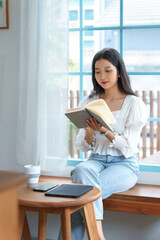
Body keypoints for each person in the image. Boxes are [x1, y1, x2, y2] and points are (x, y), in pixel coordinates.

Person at [58, 48, 148, 240]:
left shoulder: (133, 103)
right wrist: (89, 131)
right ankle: (97, 236)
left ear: (118, 71)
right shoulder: (90, 100)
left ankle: (94, 236)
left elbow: (129, 148)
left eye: (107, 70)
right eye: (97, 71)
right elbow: (81, 146)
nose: (102, 76)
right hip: (96, 161)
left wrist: (105, 131)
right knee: (82, 170)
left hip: (124, 165)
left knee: (78, 195)